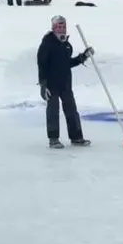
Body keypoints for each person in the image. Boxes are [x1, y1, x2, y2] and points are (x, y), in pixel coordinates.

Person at [37, 15, 93, 148]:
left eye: (64, 26)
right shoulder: (47, 43)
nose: (62, 29)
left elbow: (68, 63)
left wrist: (83, 57)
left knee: (71, 110)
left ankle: (76, 137)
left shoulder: (67, 45)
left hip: (65, 84)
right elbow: (42, 64)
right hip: (51, 84)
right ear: (53, 28)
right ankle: (53, 138)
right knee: (53, 111)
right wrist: (43, 84)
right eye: (59, 26)